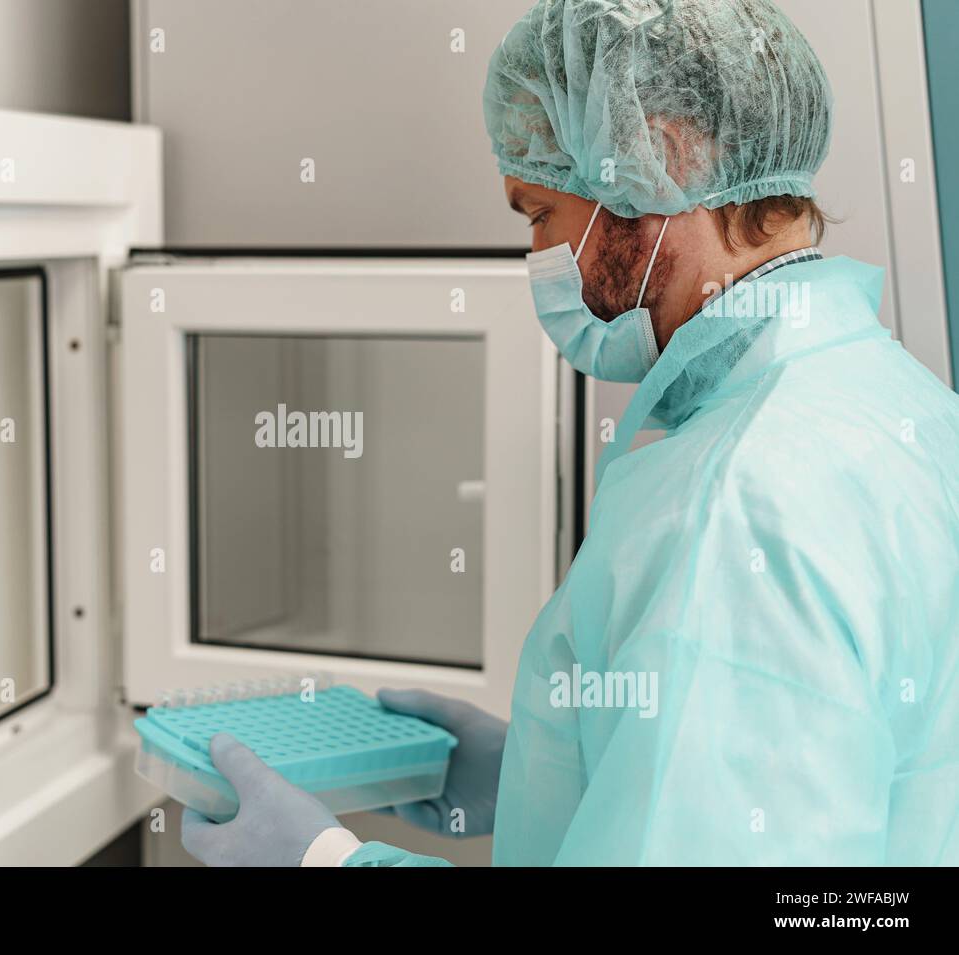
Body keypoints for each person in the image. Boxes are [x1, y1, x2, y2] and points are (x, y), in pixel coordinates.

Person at [181, 0, 959, 866]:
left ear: (658, 158)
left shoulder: (733, 505)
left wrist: (327, 862)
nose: (537, 257)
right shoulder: (900, 402)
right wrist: (561, 765)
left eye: (537, 213)